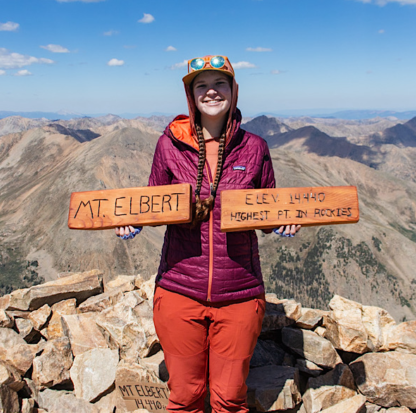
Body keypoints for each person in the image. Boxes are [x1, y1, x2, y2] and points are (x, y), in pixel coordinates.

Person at [115, 55, 300, 413]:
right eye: (201, 85)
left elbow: (265, 208)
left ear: (233, 90)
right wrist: (132, 221)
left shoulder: (256, 148)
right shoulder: (168, 144)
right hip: (179, 290)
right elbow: (154, 201)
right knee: (184, 397)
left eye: (220, 84)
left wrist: (280, 222)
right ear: (190, 95)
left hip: (241, 293)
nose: (211, 92)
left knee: (230, 399)